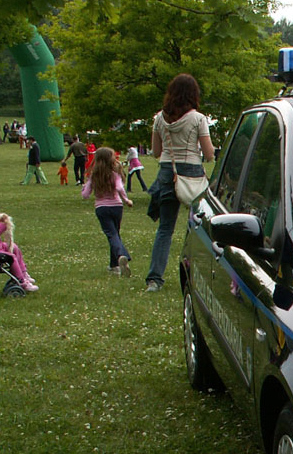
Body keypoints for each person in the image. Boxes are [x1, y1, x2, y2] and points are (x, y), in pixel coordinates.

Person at [145, 73, 215, 292]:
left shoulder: (159, 118)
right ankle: (197, 274)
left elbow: (156, 152)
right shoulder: (198, 119)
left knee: (165, 229)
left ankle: (154, 279)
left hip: (167, 171)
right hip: (192, 172)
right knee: (197, 228)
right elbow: (209, 153)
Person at [82, 146, 134, 277]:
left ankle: (122, 255)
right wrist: (127, 200)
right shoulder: (114, 174)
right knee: (115, 234)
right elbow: (119, 187)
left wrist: (84, 188)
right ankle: (114, 265)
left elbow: (85, 195)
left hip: (102, 208)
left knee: (112, 235)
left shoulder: (94, 176)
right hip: (117, 207)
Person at [0, 190, 38, 291]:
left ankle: (23, 272)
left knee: (14, 247)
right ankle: (21, 281)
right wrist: (2, 226)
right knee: (11, 257)